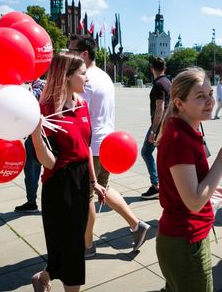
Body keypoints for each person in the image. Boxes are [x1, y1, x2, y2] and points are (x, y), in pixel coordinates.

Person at [155, 67, 222, 291]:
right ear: (179, 103)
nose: (210, 101)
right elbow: (193, 201)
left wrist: (219, 190)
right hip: (185, 241)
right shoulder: (179, 139)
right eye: (200, 96)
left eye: (210, 94)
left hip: (183, 238)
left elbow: (188, 184)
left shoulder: (184, 131)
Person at [68, 34, 150, 257]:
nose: (67, 55)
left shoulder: (85, 79)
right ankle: (136, 225)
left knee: (87, 198)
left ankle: (87, 246)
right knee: (103, 188)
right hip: (106, 144)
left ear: (84, 54)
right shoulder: (103, 75)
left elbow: (72, 110)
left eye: (71, 51)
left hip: (90, 146)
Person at [30, 53, 106, 292]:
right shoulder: (47, 110)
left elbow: (86, 148)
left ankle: (43, 278)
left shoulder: (82, 104)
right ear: (66, 76)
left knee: (68, 245)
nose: (87, 78)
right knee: (73, 247)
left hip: (82, 179)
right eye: (83, 73)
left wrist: (94, 181)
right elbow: (49, 162)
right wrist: (35, 134)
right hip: (60, 183)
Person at [141, 57, 171, 200]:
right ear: (164, 68)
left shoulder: (158, 84)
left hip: (159, 125)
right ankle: (165, 186)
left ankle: (156, 185)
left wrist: (154, 130)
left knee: (146, 152)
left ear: (152, 68)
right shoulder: (168, 83)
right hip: (168, 124)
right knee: (162, 157)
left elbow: (160, 108)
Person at [15, 77, 46, 213]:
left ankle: (32, 202)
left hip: (37, 133)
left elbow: (28, 107)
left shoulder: (36, 88)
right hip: (46, 133)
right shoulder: (46, 84)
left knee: (32, 169)